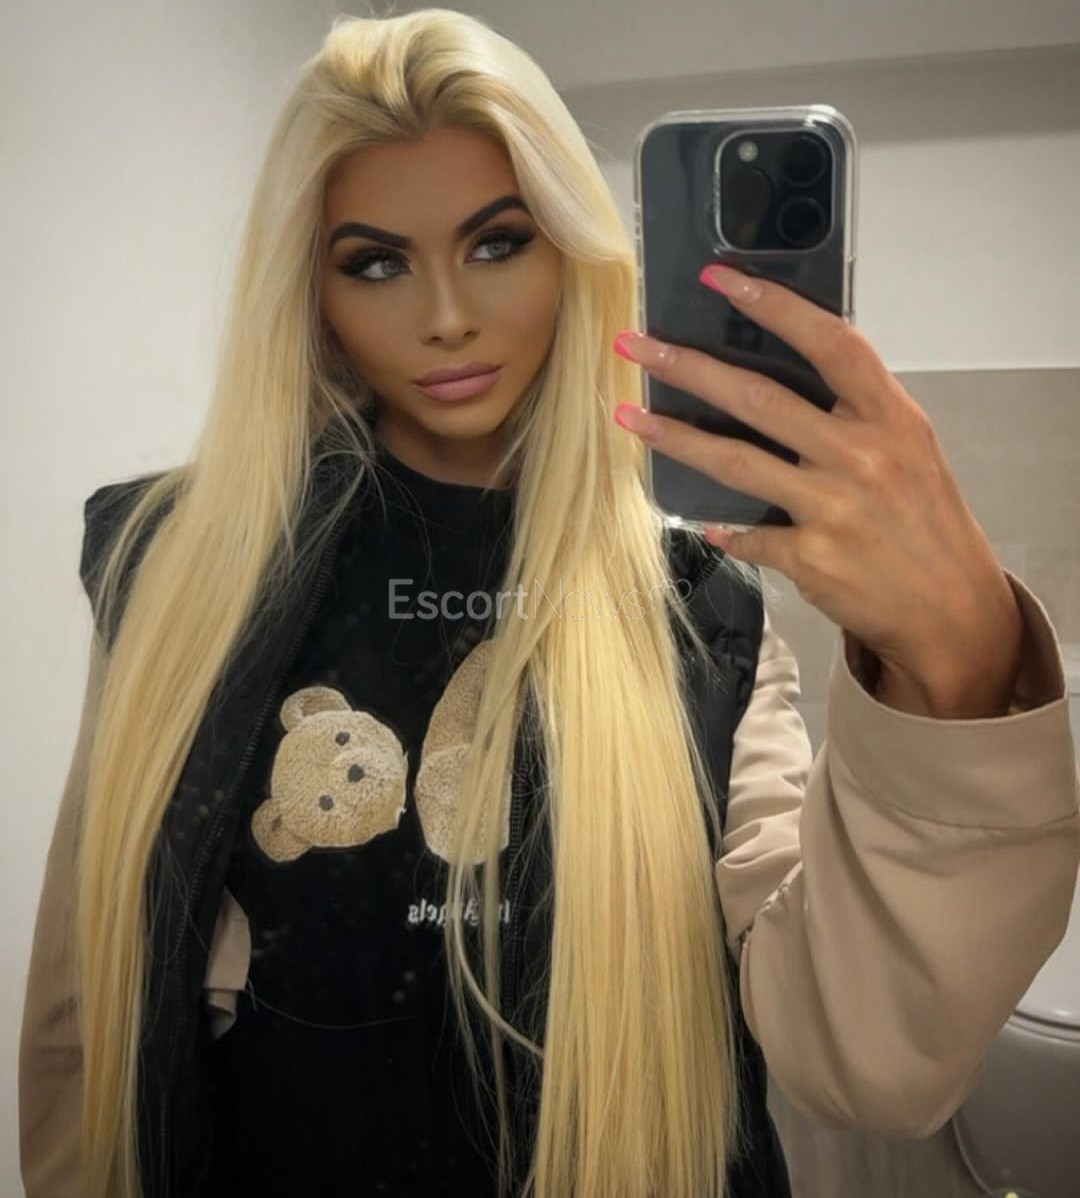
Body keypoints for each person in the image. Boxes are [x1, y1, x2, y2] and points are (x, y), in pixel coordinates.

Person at [18, 9, 1080, 1198]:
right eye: (376, 262)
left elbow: (867, 1063)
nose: (446, 315)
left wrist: (956, 660)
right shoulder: (180, 567)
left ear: (573, 251)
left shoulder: (698, 601)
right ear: (308, 291)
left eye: (498, 242)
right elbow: (85, 1011)